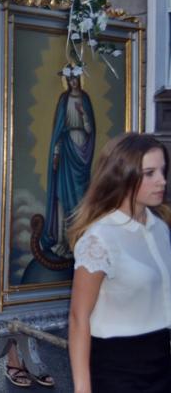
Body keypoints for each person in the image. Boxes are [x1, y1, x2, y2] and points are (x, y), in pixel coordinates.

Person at [68, 133, 171, 393]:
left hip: (162, 361)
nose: (162, 180)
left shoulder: (160, 228)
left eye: (162, 171)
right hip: (119, 371)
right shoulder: (99, 238)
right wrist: (82, 388)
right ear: (122, 176)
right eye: (149, 173)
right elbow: (79, 317)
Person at [0, 208, 53, 388]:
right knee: (8, 318)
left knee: (29, 318)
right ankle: (13, 362)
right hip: (2, 284)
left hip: (20, 279)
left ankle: (29, 361)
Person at [43, 67, 96, 257]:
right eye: (70, 79)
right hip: (66, 149)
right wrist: (56, 153)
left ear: (80, 79)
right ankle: (62, 240)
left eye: (76, 78)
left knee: (80, 196)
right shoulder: (64, 99)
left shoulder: (85, 99)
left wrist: (83, 114)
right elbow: (59, 129)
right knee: (62, 194)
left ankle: (79, 239)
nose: (73, 82)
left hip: (82, 151)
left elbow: (90, 130)